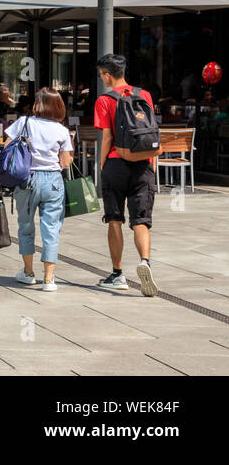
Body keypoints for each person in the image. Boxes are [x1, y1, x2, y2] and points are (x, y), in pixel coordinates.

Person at [94, 53, 159, 296]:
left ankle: (117, 274)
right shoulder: (145, 95)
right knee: (141, 221)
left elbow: (108, 136)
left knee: (114, 219)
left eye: (102, 75)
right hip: (143, 164)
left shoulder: (104, 99)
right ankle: (145, 262)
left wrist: (101, 165)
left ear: (109, 75)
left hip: (116, 163)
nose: (102, 79)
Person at [5, 89, 73, 290]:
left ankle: (28, 272)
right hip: (52, 180)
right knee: (51, 229)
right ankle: (49, 279)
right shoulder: (61, 130)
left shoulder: (24, 123)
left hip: (27, 179)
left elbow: (7, 146)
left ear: (38, 105)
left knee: (25, 226)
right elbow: (65, 161)